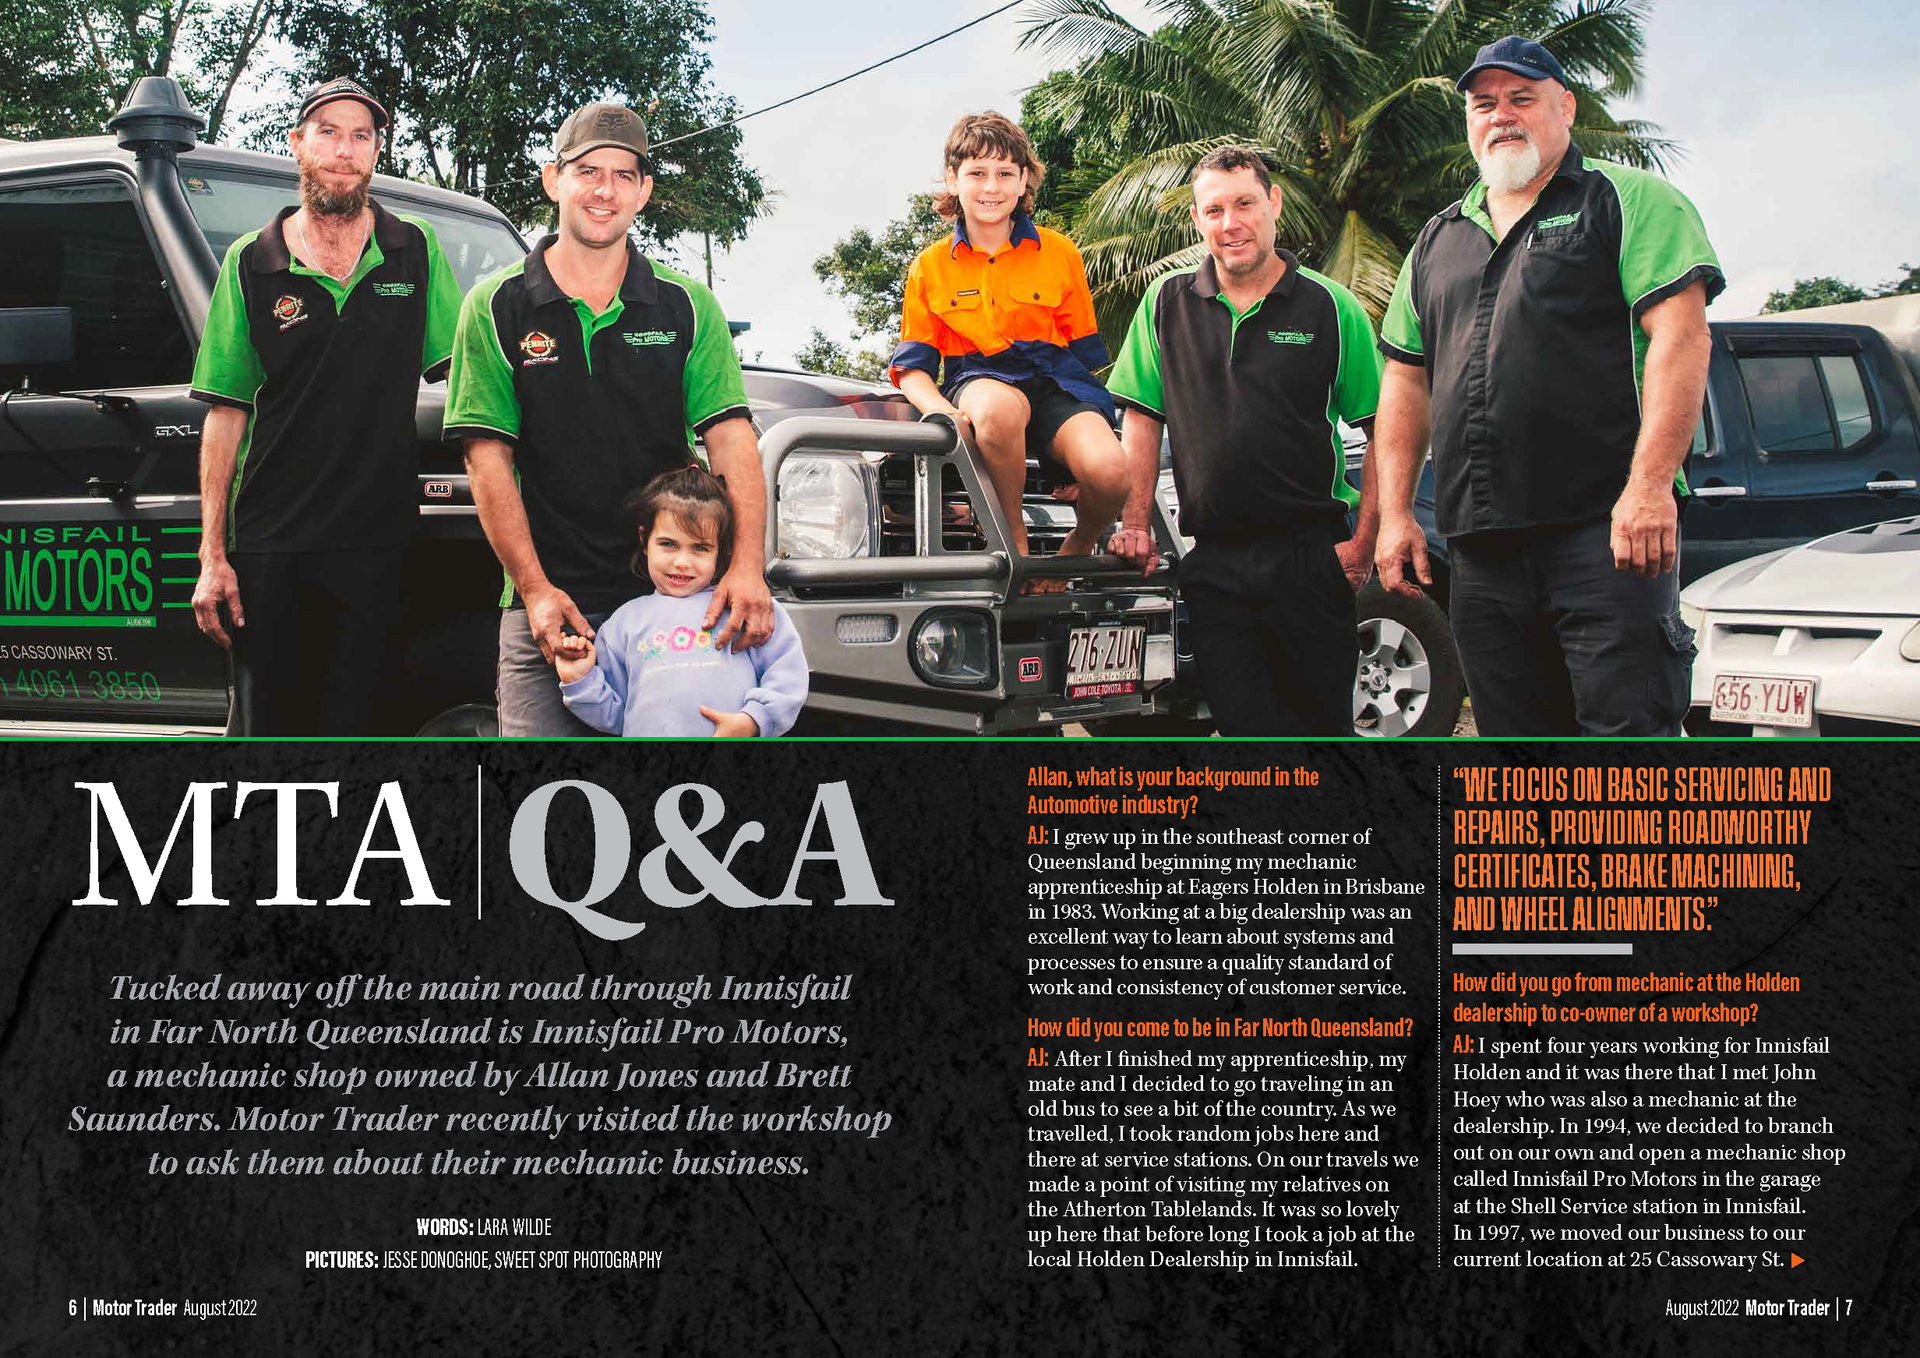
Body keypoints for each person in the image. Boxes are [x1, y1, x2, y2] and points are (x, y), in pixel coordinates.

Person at [1372, 36, 1721, 737]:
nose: (1501, 115)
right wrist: (1397, 513)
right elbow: (1405, 381)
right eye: (1484, 104)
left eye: (1521, 98)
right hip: (1480, 548)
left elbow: (1681, 339)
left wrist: (1651, 486)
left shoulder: (1628, 201)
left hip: (1608, 535)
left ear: (1565, 105)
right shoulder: (1437, 239)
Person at [443, 101, 774, 736]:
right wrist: (535, 589)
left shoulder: (687, 305)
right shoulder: (496, 306)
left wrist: (746, 568)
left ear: (644, 191)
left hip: (672, 597)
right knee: (540, 810)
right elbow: (488, 461)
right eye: (588, 171)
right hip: (551, 602)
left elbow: (732, 441)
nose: (604, 191)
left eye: (624, 175)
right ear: (553, 180)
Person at [188, 76, 460, 734]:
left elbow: (471, 381)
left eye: (361, 136)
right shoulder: (251, 262)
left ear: (375, 152)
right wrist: (212, 557)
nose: (345, 149)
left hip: (379, 540)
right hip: (271, 545)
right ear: (298, 143)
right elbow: (225, 413)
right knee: (271, 737)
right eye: (328, 132)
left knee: (366, 726)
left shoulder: (414, 249)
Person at [1106, 146, 1384, 736]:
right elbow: (1141, 418)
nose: (1230, 223)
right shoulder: (1165, 305)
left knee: (1320, 736)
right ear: (1197, 220)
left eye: (1244, 204)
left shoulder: (1333, 308)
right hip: (1214, 561)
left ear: (1273, 204)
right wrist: (1135, 524)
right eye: (1213, 210)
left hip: (1313, 556)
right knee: (1245, 736)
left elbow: (1383, 426)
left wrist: (1364, 542)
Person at [889, 111, 1127, 589]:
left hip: (1054, 379)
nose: (991, 186)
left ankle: (1073, 549)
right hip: (978, 378)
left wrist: (1067, 457)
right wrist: (941, 410)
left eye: (1004, 173)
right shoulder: (929, 267)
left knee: (1113, 472)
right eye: (976, 173)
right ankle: (1013, 540)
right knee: (995, 409)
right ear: (954, 180)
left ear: (1023, 182)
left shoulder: (1062, 253)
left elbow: (1083, 357)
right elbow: (912, 369)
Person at [553, 465, 807, 737]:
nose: (682, 562)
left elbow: (787, 675)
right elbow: (616, 717)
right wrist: (579, 678)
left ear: (720, 550)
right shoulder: (622, 624)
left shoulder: (743, 607)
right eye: (668, 544)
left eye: (700, 548)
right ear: (644, 539)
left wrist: (754, 721)